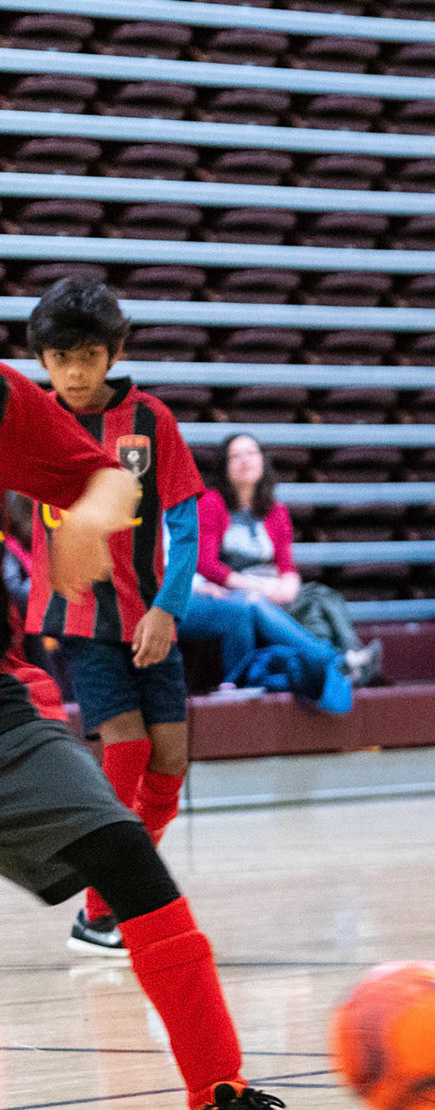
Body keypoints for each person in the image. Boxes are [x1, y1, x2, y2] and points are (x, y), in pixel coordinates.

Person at [0, 358, 314, 1110]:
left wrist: (80, 524)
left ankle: (218, 1103)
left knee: (125, 852)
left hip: (0, 709)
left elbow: (105, 481)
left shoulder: (1, 394)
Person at [21, 279, 203, 959]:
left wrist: (166, 608)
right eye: (60, 356)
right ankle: (103, 913)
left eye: (88, 355)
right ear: (40, 360)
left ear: (114, 352)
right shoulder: (27, 418)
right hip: (77, 615)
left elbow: (184, 523)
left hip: (150, 616)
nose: (74, 370)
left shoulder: (152, 422)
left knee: (171, 763)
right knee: (124, 744)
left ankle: (120, 900)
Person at [179, 434, 353, 714]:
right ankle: (331, 657)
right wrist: (255, 587)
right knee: (250, 603)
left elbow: (287, 565)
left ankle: (331, 659)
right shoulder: (211, 503)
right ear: (224, 466)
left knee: (315, 597)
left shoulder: (276, 510)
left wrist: (287, 587)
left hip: (271, 592)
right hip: (232, 589)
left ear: (263, 461)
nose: (245, 461)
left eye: (251, 453)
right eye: (236, 456)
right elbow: (206, 564)